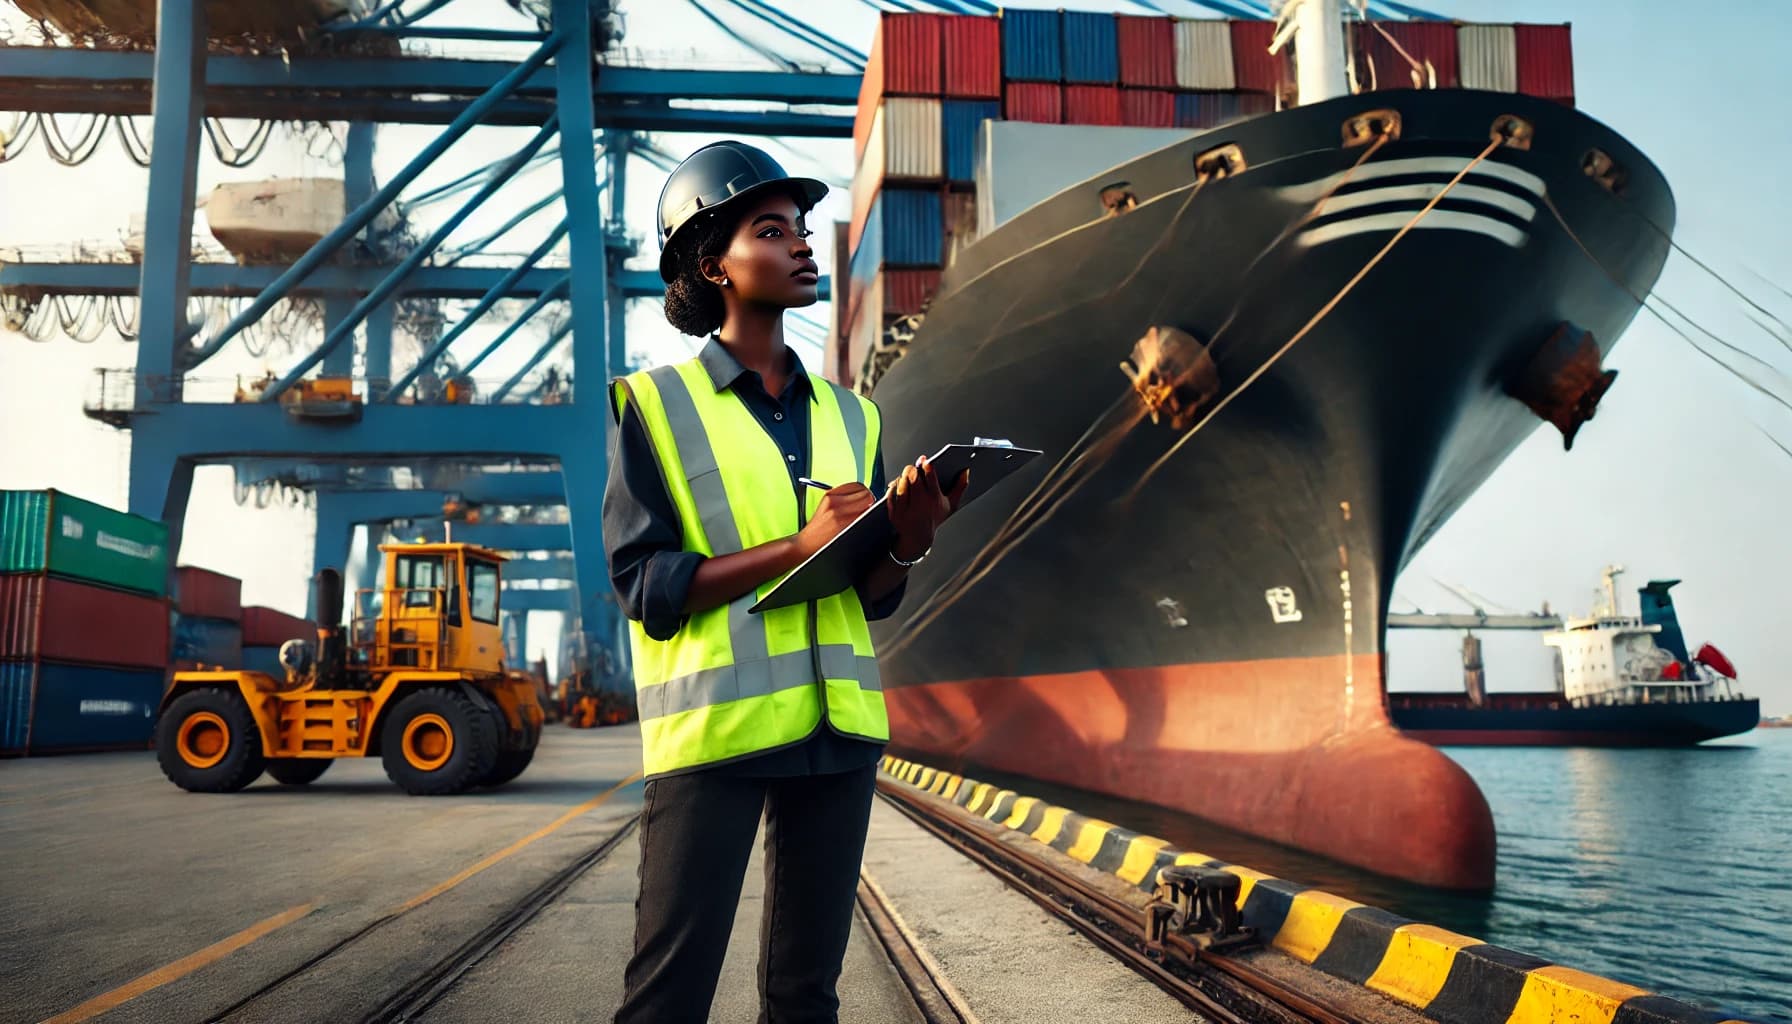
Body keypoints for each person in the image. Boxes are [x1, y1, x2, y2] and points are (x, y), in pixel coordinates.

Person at [603, 140, 967, 1024]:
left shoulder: (856, 414)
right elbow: (644, 587)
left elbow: (873, 593)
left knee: (807, 999)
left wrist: (911, 537)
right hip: (716, 735)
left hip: (838, 733)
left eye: (803, 228)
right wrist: (797, 544)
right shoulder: (655, 405)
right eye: (772, 231)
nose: (804, 244)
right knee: (668, 1000)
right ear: (709, 263)